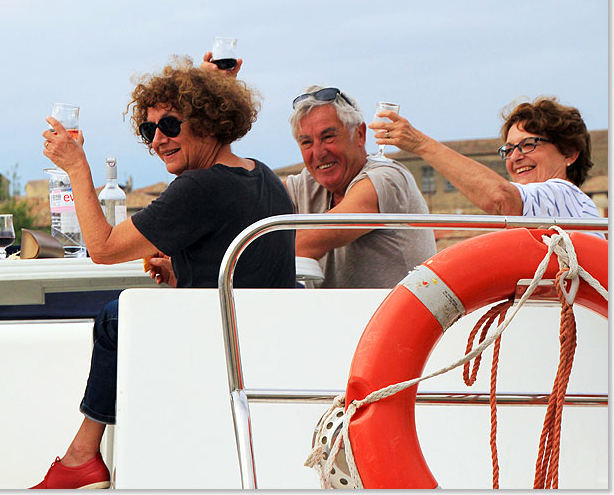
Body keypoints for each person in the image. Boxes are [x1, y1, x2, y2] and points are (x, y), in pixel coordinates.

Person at [31, 57, 298, 489]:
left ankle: (82, 457)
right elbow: (248, 273)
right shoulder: (263, 176)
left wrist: (77, 168)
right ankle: (85, 455)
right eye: (148, 129)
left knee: (116, 317)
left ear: (210, 122)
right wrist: (181, 274)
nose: (157, 140)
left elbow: (101, 248)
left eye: (170, 125)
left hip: (221, 352)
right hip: (263, 346)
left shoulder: (199, 186)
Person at [368, 96, 602, 228]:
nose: (516, 157)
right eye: (509, 149)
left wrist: (420, 144)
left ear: (569, 154)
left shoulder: (566, 196)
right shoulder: (536, 214)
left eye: (529, 144)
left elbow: (500, 197)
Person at [285, 86, 436, 288]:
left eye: (328, 137)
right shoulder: (307, 184)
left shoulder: (386, 178)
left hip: (398, 316)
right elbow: (254, 200)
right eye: (306, 143)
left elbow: (308, 242)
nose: (319, 153)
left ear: (360, 134)